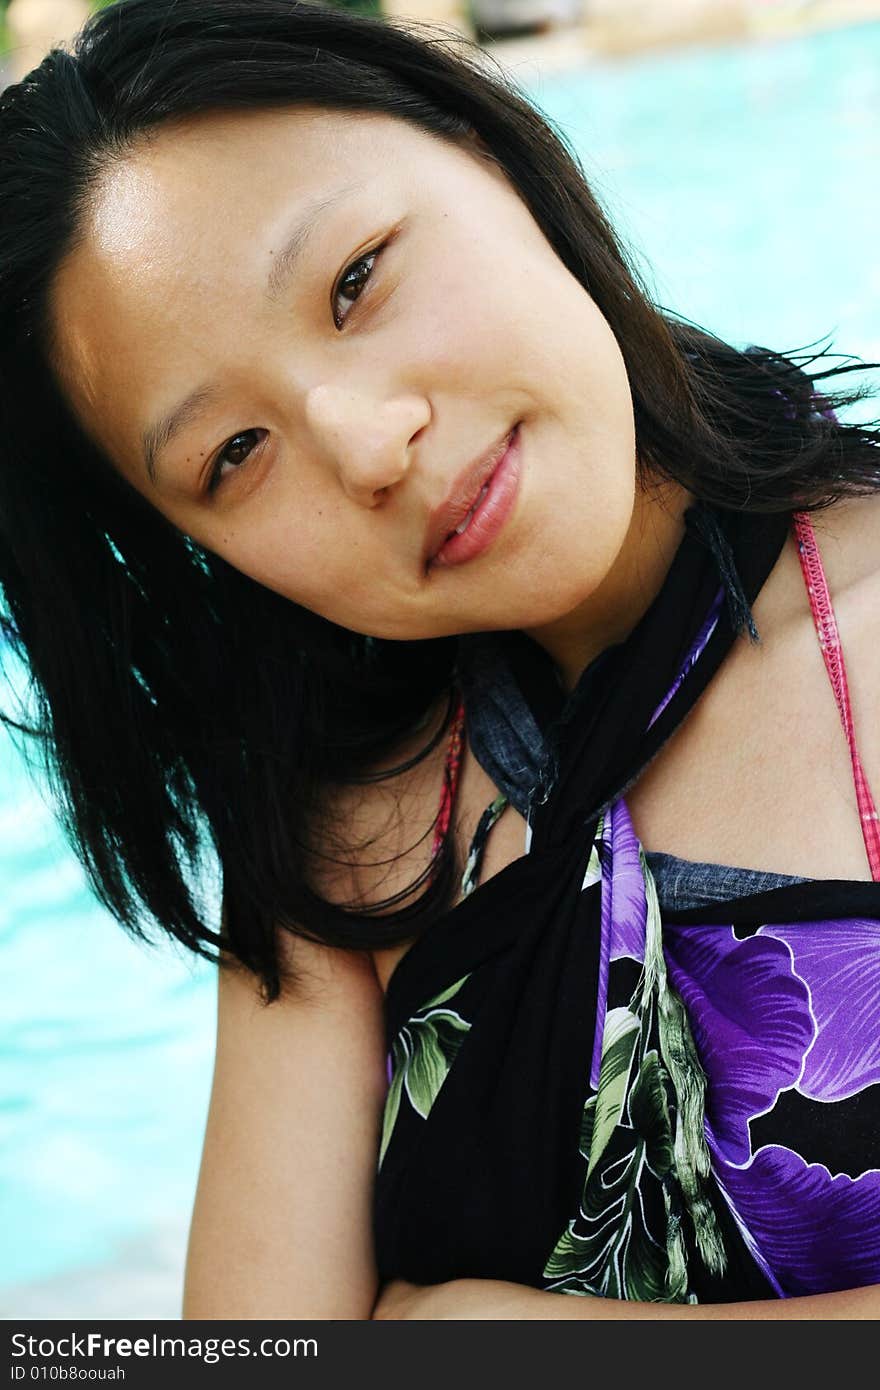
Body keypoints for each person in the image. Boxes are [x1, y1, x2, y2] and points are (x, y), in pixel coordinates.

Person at [1, 0, 879, 1320]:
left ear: (485, 151)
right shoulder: (348, 835)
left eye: (356, 280)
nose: (369, 445)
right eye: (234, 457)